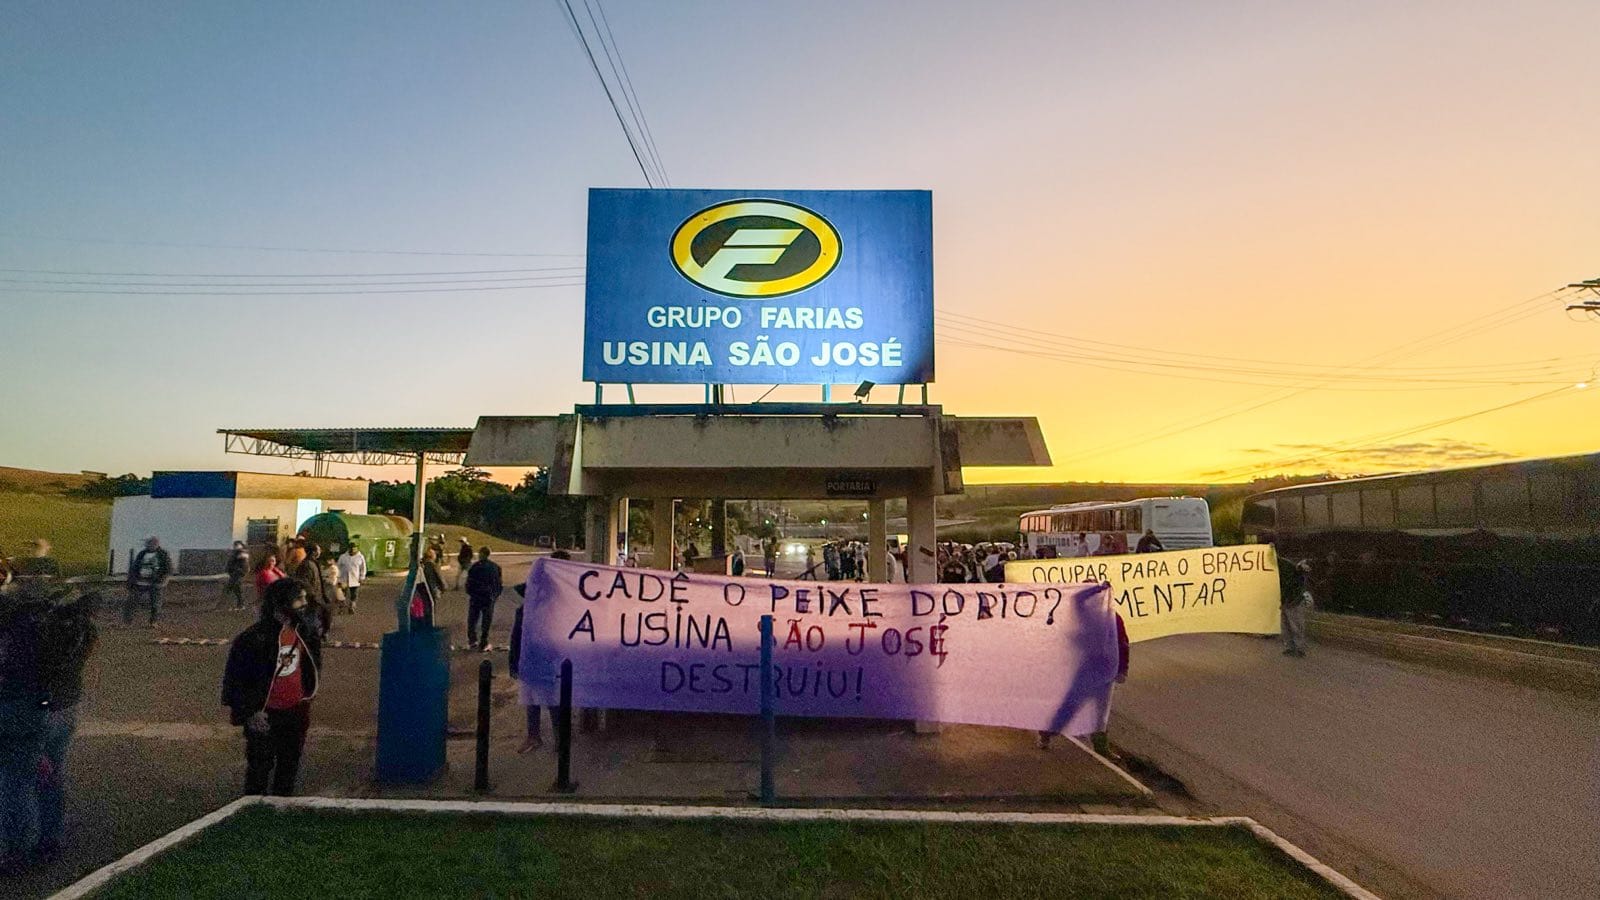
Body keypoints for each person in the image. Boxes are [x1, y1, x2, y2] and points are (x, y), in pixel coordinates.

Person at [221, 578, 321, 796]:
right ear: (281, 602)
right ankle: (253, 810)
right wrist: (250, 712)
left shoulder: (305, 633)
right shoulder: (252, 639)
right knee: (259, 767)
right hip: (264, 716)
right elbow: (235, 680)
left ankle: (282, 807)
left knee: (289, 765)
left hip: (296, 712)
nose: (305, 603)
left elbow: (312, 668)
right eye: (299, 599)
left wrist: (306, 699)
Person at [36, 584, 97, 862]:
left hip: (47, 709)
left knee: (29, 773)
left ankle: (35, 834)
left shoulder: (52, 638)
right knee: (52, 773)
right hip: (67, 707)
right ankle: (51, 833)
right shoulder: (85, 633)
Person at [0, 587, 48, 871]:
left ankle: (12, 849)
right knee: (22, 784)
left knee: (12, 788)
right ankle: (24, 846)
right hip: (31, 712)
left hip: (13, 712)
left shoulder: (13, 641)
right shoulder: (34, 636)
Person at [1039, 610, 1129, 751]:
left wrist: (1123, 668)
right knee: (1071, 706)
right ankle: (1048, 733)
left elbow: (1122, 643)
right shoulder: (1085, 616)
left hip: (1105, 671)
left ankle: (1101, 748)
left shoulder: (1113, 618)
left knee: (1100, 713)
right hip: (1086, 671)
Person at [124, 537, 171, 627]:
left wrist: (163, 579)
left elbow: (168, 568)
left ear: (156, 544)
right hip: (140, 582)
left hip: (156, 583)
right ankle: (127, 622)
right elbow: (134, 567)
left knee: (155, 604)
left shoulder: (162, 554)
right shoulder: (142, 554)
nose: (149, 545)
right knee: (131, 601)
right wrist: (131, 580)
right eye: (148, 544)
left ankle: (153, 622)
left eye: (151, 543)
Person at [465, 547, 503, 651]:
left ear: (481, 554)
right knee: (486, 621)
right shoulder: (495, 567)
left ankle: (472, 640)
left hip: (476, 596)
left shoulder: (475, 567)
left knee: (472, 619)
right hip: (489, 597)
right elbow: (498, 584)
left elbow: (469, 583)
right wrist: (495, 595)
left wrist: (470, 592)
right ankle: (484, 641)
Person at [292, 543, 333, 638]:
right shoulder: (306, 565)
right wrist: (312, 595)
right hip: (312, 598)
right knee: (313, 617)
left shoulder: (313, 563)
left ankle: (320, 633)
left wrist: (324, 595)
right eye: (318, 550)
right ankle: (312, 636)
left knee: (324, 614)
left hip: (318, 596)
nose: (320, 552)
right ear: (314, 552)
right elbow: (304, 582)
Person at [1279, 556, 1314, 657]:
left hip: (1294, 601)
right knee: (1286, 625)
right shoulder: (1289, 570)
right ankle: (1290, 647)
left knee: (1296, 626)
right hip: (1287, 600)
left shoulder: (1296, 574)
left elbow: (1296, 588)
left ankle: (1299, 648)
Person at [336, 542, 366, 613]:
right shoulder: (343, 557)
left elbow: (363, 568)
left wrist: (362, 577)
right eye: (351, 548)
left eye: (354, 548)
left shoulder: (360, 557)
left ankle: (352, 607)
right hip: (344, 579)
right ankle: (341, 608)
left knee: (354, 595)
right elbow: (338, 567)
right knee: (342, 595)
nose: (352, 550)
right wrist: (337, 578)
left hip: (355, 579)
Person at [223, 541, 250, 611]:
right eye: (235, 545)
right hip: (234, 574)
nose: (235, 546)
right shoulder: (236, 553)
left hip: (237, 574)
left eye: (237, 545)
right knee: (232, 589)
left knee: (233, 588)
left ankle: (238, 605)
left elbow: (244, 565)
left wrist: (236, 570)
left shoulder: (241, 553)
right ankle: (233, 605)